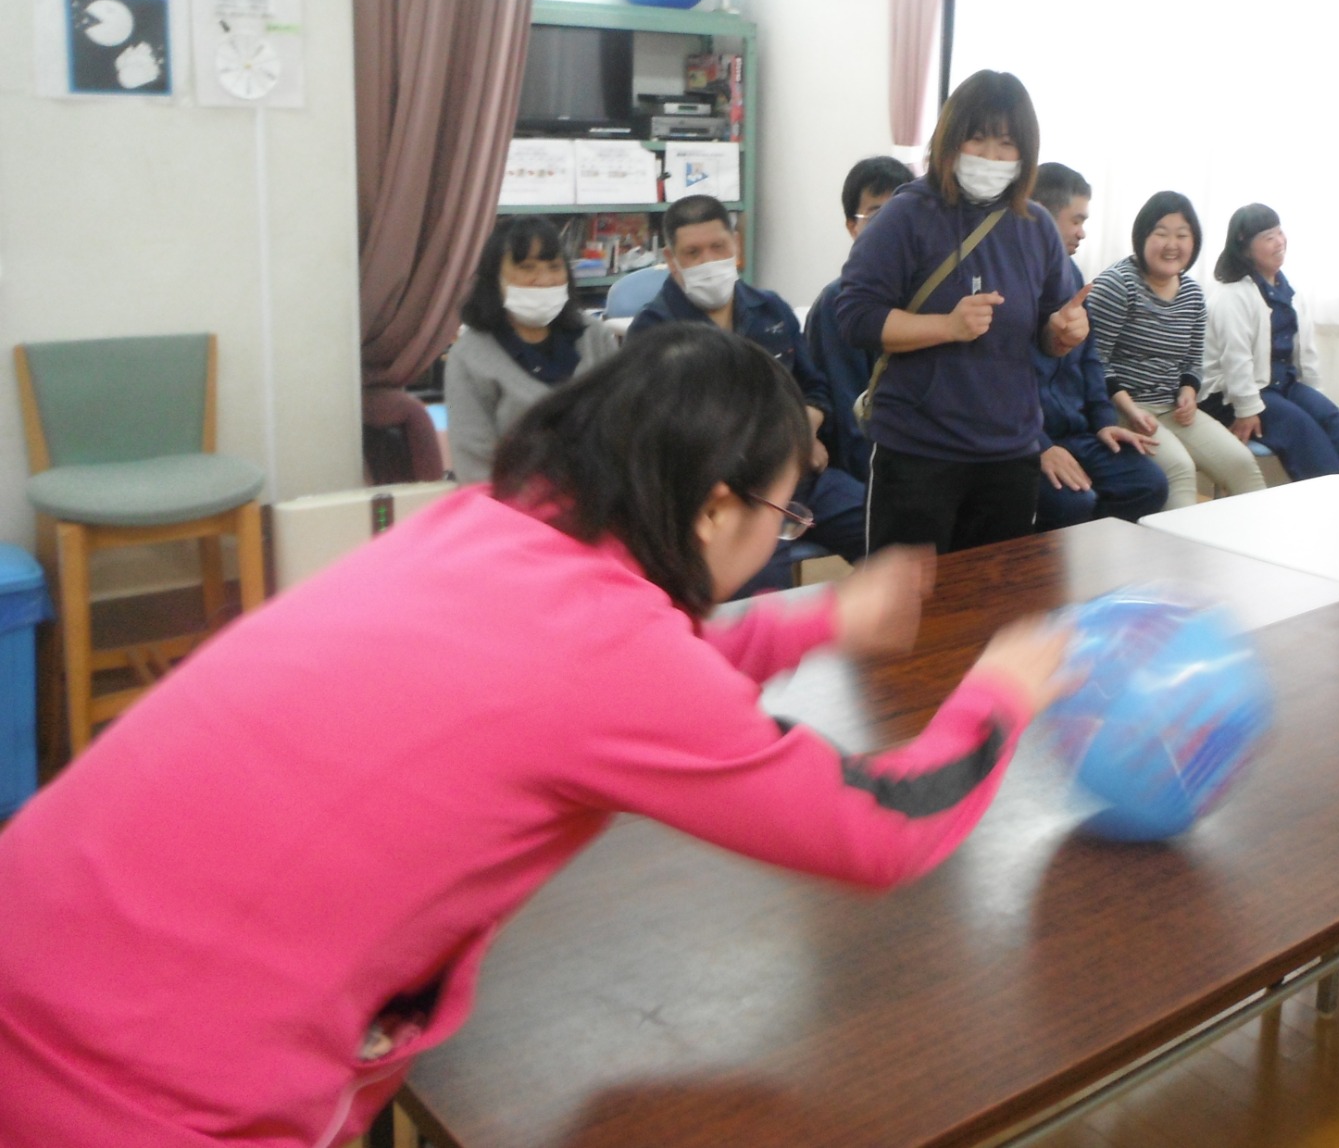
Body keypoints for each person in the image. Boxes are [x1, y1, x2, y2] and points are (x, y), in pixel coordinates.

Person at [0, 324, 1071, 1147]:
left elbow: (614, 678)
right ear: (711, 509)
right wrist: (996, 696)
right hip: (130, 1092)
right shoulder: (616, 659)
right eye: (784, 515)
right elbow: (872, 832)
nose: (783, 534)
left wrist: (820, 619)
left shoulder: (481, 530)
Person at [836, 70, 1090, 553]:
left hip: (1009, 452)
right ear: (950, 140)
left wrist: (1064, 331)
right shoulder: (906, 215)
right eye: (977, 138)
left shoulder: (1035, 225)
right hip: (917, 452)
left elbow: (1049, 329)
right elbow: (855, 316)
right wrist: (946, 326)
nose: (991, 157)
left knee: (991, 604)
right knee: (906, 614)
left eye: (1006, 143)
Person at [630, 195, 866, 590]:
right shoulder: (654, 332)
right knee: (760, 591)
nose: (708, 260)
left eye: (718, 247)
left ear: (735, 246)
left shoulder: (771, 310)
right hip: (722, 496)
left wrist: (803, 429)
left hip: (798, 478)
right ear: (672, 261)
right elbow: (663, 439)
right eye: (693, 253)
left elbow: (815, 389)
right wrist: (783, 441)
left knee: (889, 530)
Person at [1086, 193, 1265, 511]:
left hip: (1173, 409)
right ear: (1142, 237)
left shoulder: (1193, 294)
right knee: (1179, 470)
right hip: (1122, 409)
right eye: (1162, 233)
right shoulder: (1117, 285)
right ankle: (1179, 558)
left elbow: (1193, 359)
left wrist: (1188, 390)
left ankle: (1257, 552)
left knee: (1242, 462)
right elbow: (1094, 361)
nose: (1172, 244)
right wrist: (1130, 409)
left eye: (1182, 235)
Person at [1028, 163, 1169, 529]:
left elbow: (1090, 357)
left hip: (1078, 432)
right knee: (1073, 502)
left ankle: (1094, 569)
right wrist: (1041, 446)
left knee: (1147, 483)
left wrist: (1104, 423)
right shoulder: (1012, 281)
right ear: (1042, 216)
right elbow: (999, 383)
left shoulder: (1072, 275)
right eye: (1076, 220)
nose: (1083, 233)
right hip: (1027, 439)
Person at [1201, 204, 1339, 478]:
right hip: (1232, 395)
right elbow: (1236, 360)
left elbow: (1305, 351)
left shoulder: (1288, 288)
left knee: (1328, 415)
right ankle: (1332, 496)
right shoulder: (1232, 296)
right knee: (1302, 430)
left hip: (1282, 383)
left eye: (1280, 232)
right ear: (1245, 246)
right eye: (1269, 237)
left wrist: (1311, 395)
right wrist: (1246, 410)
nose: (1280, 242)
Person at [443, 216, 619, 482]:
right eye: (526, 267)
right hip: (515, 506)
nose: (544, 280)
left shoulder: (596, 337)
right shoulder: (469, 357)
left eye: (554, 266)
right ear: (495, 279)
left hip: (597, 498)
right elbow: (475, 465)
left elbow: (621, 430)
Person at [805, 155, 916, 487]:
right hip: (867, 473)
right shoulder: (836, 305)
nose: (891, 228)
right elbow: (851, 424)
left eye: (901, 214)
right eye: (876, 215)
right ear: (852, 227)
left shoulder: (932, 298)